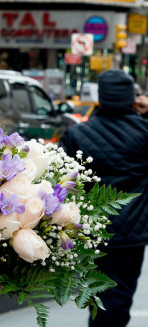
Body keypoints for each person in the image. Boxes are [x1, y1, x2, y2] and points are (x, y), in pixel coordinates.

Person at [59, 69, 148, 327]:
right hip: (132, 233)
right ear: (132, 97)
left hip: (92, 229)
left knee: (97, 295)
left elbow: (61, 180)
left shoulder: (78, 134)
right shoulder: (143, 132)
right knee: (121, 297)